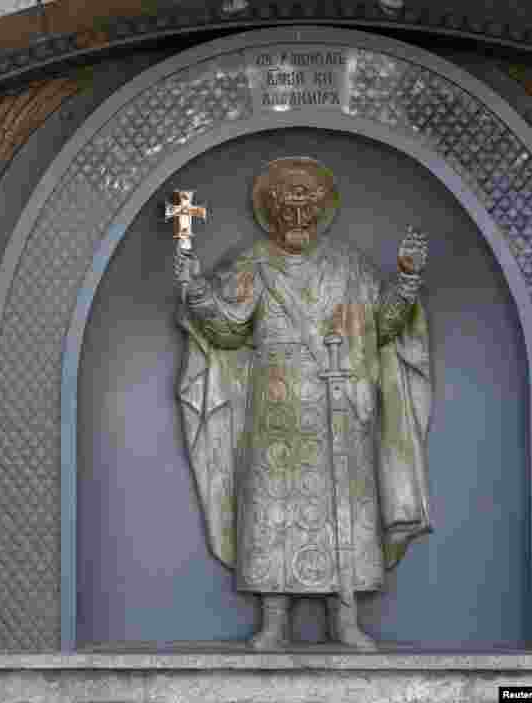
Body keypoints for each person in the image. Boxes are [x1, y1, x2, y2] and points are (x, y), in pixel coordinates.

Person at [174, 157, 432, 650]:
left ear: (319, 211)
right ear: (271, 212)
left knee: (346, 506)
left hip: (340, 403)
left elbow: (385, 324)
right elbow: (227, 329)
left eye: (306, 208)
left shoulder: (349, 265)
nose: (297, 218)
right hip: (274, 405)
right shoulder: (252, 264)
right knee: (271, 507)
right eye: (286, 208)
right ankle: (273, 620)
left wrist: (407, 279)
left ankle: (346, 618)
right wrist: (196, 290)